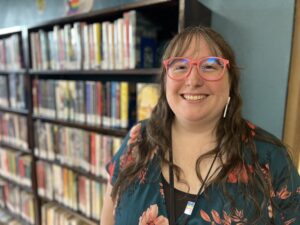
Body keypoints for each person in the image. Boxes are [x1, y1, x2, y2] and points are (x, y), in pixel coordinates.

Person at [100, 26, 300, 225]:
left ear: (231, 81)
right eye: (180, 66)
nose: (193, 80)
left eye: (209, 66)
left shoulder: (270, 158)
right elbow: (108, 218)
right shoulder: (138, 139)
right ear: (165, 80)